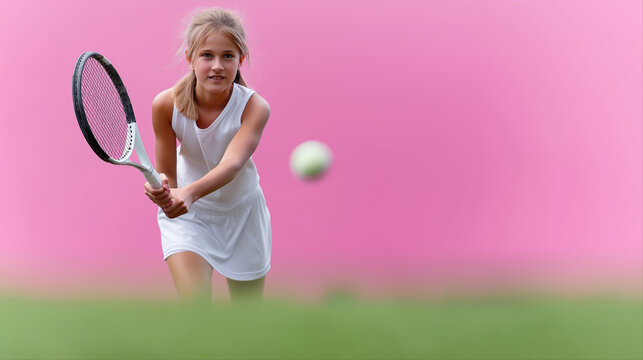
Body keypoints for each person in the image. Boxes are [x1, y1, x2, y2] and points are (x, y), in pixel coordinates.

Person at [144, 8, 271, 304]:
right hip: (190, 218)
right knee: (196, 311)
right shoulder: (165, 104)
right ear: (190, 59)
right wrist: (162, 190)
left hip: (243, 215)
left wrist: (188, 193)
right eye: (206, 56)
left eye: (228, 56)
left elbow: (233, 163)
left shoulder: (255, 108)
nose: (217, 65)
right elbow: (168, 177)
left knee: (249, 324)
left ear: (241, 60)